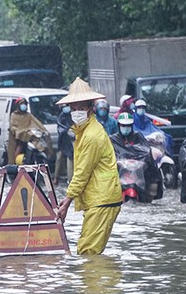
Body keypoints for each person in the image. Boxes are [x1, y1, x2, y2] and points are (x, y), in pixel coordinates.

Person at [54, 77, 122, 255]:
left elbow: (82, 173)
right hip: (97, 199)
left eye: (81, 108)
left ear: (90, 109)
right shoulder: (83, 132)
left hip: (102, 199)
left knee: (87, 253)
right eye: (74, 109)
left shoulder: (91, 136)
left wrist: (67, 201)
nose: (77, 112)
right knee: (89, 253)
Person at [7, 97, 50, 164]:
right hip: (19, 138)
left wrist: (44, 130)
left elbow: (37, 122)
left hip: (29, 136)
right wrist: (17, 132)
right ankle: (14, 163)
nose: (24, 105)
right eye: (22, 104)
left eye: (24, 104)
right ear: (18, 105)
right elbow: (12, 126)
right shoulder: (14, 115)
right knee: (19, 146)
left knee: (39, 143)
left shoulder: (28, 115)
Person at [54, 104, 74, 183]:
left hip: (71, 140)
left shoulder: (72, 115)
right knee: (59, 157)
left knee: (70, 158)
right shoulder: (60, 117)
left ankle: (70, 179)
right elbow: (61, 128)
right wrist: (68, 130)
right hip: (63, 140)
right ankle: (56, 177)